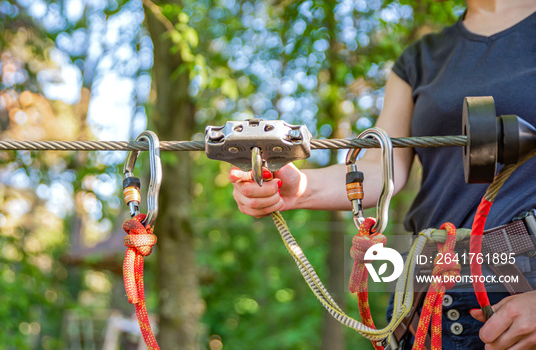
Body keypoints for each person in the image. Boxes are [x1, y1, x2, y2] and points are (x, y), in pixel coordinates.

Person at [229, 1, 536, 349]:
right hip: (425, 298)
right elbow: (381, 166)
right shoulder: (421, 59)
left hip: (524, 292)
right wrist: (300, 189)